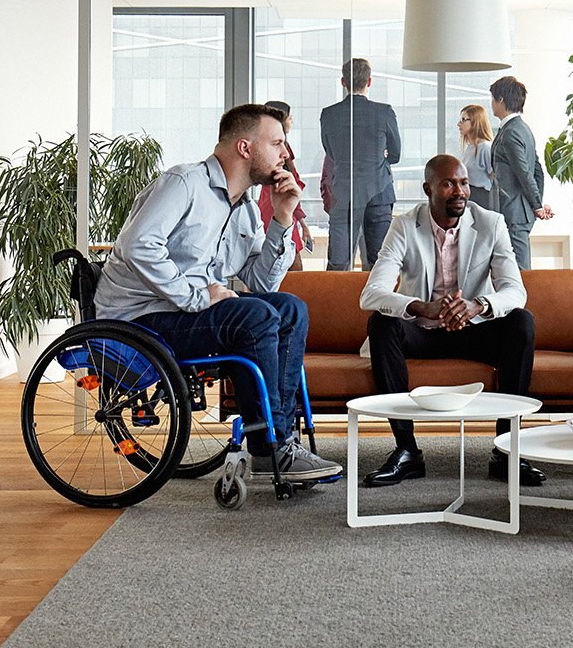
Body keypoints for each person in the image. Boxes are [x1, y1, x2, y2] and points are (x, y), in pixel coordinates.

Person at [95, 103, 341, 482]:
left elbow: (261, 285)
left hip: (183, 315)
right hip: (138, 318)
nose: (286, 154)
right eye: (276, 143)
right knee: (253, 315)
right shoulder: (184, 184)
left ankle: (281, 436)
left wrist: (282, 218)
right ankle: (269, 446)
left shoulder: (243, 208)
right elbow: (138, 245)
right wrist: (197, 297)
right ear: (245, 148)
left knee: (289, 308)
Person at [358, 155, 545, 488]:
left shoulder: (491, 223)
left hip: (474, 330)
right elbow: (371, 293)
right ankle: (406, 450)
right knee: (381, 324)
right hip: (423, 332)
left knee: (522, 322)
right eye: (448, 184)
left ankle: (506, 449)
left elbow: (515, 291)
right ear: (428, 188)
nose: (459, 191)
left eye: (463, 183)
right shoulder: (404, 225)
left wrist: (478, 305)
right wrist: (420, 307)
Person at [320, 57, 401, 270]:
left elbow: (330, 152)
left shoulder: (329, 114)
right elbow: (396, 154)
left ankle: (337, 304)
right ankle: (376, 304)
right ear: (370, 81)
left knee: (338, 264)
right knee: (380, 264)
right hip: (378, 194)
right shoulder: (384, 112)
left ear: (343, 82)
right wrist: (381, 156)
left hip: (343, 194)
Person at [488, 75, 553, 269]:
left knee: (520, 271)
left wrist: (537, 205)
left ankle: (527, 301)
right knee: (510, 269)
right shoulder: (521, 128)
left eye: (492, 98)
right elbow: (537, 171)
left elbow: (525, 173)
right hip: (518, 211)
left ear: (500, 100)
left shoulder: (511, 132)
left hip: (514, 212)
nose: (491, 104)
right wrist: (537, 203)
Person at [257, 100, 310, 272]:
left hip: (277, 208)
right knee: (292, 270)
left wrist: (302, 222)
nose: (292, 120)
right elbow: (290, 187)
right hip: (276, 209)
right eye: (289, 117)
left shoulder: (276, 148)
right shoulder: (278, 150)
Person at [456, 103, 495, 210]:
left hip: (482, 198)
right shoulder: (470, 148)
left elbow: (494, 178)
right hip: (469, 196)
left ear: (475, 121)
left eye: (464, 120)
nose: (459, 124)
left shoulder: (485, 148)